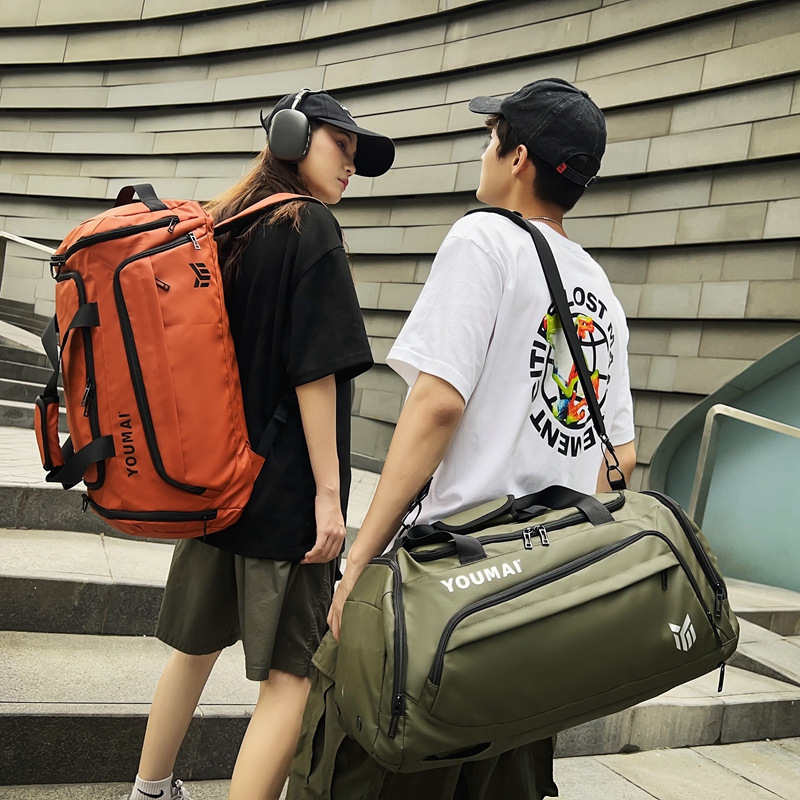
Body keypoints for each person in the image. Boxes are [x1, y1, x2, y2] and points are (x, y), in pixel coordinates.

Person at [286, 78, 636, 799]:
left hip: (448, 590)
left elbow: (436, 406)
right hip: (538, 599)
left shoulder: (484, 239)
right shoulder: (600, 290)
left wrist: (359, 562)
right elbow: (620, 459)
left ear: (519, 158)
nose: (483, 152)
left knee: (359, 768)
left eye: (491, 138)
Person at [126, 89, 394, 800]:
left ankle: (148, 791)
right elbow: (316, 374)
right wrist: (331, 498)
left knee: (193, 650)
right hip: (284, 495)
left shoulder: (222, 225)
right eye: (341, 146)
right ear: (292, 137)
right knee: (293, 677)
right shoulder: (311, 227)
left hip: (214, 482)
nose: (351, 165)